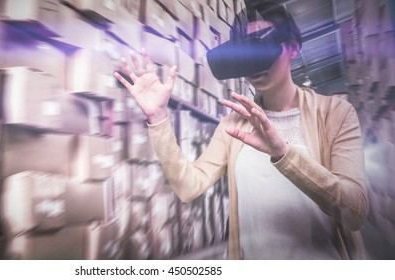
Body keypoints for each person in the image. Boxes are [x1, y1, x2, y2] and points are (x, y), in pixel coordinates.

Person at [114, 1, 368, 260]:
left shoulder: (336, 114)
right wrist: (158, 119)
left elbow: (355, 212)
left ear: (292, 47)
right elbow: (189, 186)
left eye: (261, 46)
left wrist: (284, 155)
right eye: (245, 51)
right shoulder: (233, 124)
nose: (254, 63)